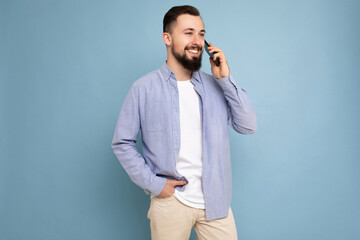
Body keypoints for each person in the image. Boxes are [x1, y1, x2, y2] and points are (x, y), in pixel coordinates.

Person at [111, 5, 257, 240]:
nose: (197, 41)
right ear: (167, 38)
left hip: (215, 202)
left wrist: (226, 80)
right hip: (171, 203)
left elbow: (248, 125)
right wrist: (156, 185)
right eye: (188, 32)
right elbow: (122, 143)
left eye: (201, 34)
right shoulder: (143, 88)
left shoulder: (216, 86)